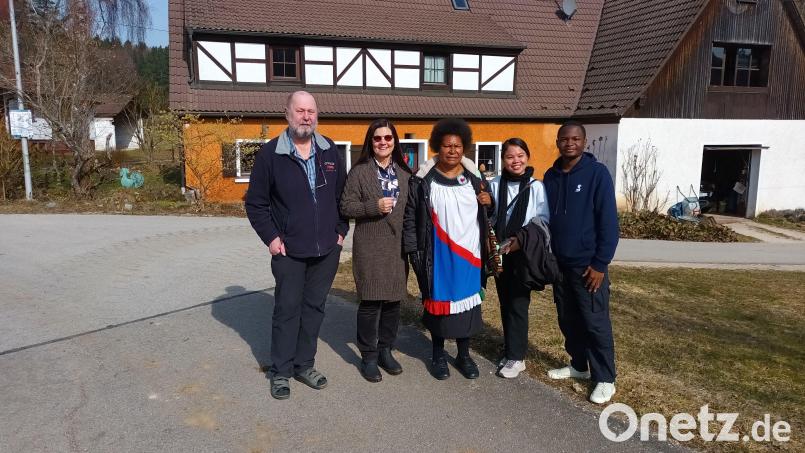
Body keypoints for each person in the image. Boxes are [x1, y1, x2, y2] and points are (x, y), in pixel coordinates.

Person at [245, 91, 349, 400]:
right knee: (287, 310)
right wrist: (273, 239)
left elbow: (342, 197)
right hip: (289, 251)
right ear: (288, 115)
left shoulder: (330, 151)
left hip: (326, 250)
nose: (306, 117)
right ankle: (281, 370)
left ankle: (304, 364)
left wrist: (341, 232)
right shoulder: (269, 155)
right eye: (300, 111)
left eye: (311, 112)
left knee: (314, 309)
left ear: (317, 116)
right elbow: (256, 204)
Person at [403, 118, 493, 380]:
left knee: (467, 307)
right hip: (437, 254)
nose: (452, 151)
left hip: (469, 254)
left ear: (463, 148)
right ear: (437, 148)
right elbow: (411, 217)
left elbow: (487, 213)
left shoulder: (475, 179)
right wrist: (414, 252)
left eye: (457, 146)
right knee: (438, 306)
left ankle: (464, 356)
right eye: (446, 146)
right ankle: (438, 355)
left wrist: (491, 201)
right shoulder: (422, 181)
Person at [542, 120, 619, 404]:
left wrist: (600, 264)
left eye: (575, 139)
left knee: (595, 322)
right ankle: (579, 365)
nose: (569, 143)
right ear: (558, 142)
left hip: (588, 266)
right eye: (564, 139)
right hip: (560, 265)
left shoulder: (597, 174)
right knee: (568, 319)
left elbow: (609, 223)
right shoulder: (551, 176)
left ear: (583, 142)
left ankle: (605, 378)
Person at [340, 119, 412, 383]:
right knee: (371, 302)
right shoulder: (359, 172)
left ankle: (385, 350)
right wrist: (373, 206)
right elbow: (346, 206)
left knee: (393, 302)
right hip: (369, 245)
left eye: (388, 138)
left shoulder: (406, 175)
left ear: (395, 142)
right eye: (377, 138)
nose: (383, 142)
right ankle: (368, 356)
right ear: (371, 142)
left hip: (397, 248)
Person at [489, 138, 550, 379]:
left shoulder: (536, 186)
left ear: (528, 157)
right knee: (505, 303)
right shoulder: (494, 184)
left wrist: (520, 240)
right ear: (503, 160)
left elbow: (543, 219)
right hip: (500, 252)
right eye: (510, 156)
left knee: (518, 304)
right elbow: (490, 214)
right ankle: (510, 349)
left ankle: (517, 357)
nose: (516, 161)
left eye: (520, 155)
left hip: (523, 253)